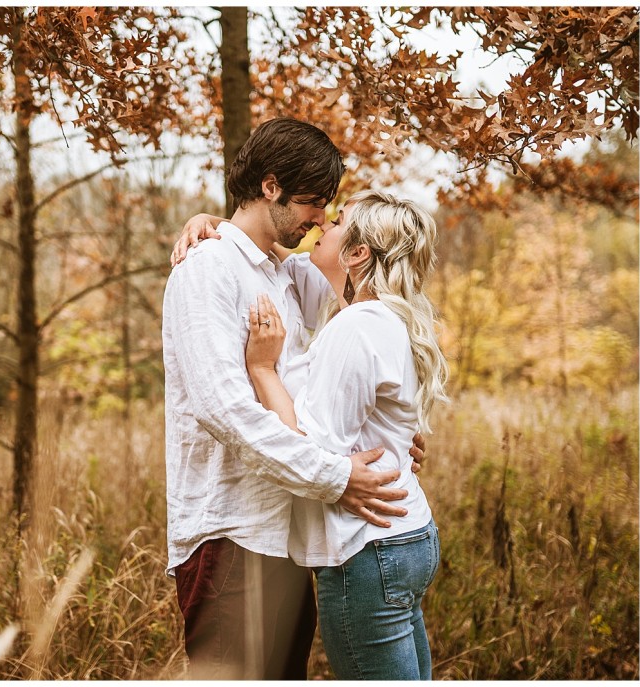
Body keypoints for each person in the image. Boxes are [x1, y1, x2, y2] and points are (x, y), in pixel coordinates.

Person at [162, 118, 421, 680]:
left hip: (287, 530)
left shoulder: (286, 272)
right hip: (231, 530)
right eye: (312, 202)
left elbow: (357, 305)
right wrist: (333, 475)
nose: (320, 220)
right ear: (271, 186)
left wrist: (388, 433)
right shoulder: (207, 270)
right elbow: (222, 409)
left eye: (328, 207)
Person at [243, 190, 449, 679]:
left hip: (367, 551)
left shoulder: (358, 327)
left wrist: (262, 369)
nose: (322, 225)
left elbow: (311, 451)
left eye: (336, 222)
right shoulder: (383, 319)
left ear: (358, 253)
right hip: (404, 536)